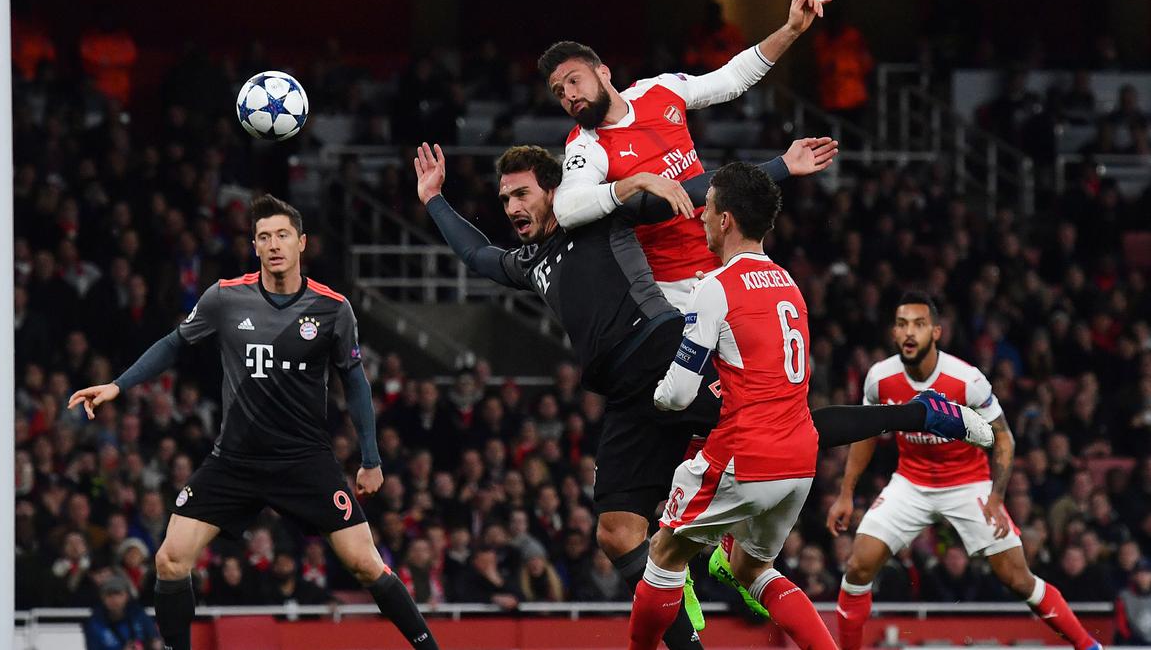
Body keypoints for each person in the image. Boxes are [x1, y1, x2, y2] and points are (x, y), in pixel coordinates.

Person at [414, 143, 990, 650]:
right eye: (504, 197)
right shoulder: (529, 262)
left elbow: (687, 194)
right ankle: (688, 589)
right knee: (616, 534)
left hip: (664, 353)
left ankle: (921, 411)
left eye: (521, 193)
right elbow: (476, 257)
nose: (512, 206)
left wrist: (780, 169)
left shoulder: (593, 218)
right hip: (623, 395)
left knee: (793, 425)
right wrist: (434, 199)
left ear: (556, 192)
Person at [68, 195, 438, 650]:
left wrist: (370, 458)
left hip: (304, 462)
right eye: (264, 237)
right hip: (235, 461)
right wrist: (117, 386)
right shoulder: (225, 297)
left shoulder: (332, 309)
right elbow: (172, 344)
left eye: (282, 235)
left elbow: (355, 383)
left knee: (365, 565)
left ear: (301, 242)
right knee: (170, 560)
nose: (274, 244)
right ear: (254, 246)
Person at [625, 164, 972, 650]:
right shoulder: (788, 284)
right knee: (753, 568)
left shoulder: (715, 287)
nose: (700, 216)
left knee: (663, 552)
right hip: (798, 462)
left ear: (725, 220)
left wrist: (658, 397)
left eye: (707, 208)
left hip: (745, 455)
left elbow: (679, 394)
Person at [828, 292, 1100, 650]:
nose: (910, 332)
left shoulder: (965, 379)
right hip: (910, 482)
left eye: (919, 324)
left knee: (1017, 579)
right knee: (857, 567)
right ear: (894, 333)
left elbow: (1004, 438)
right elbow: (865, 434)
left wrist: (996, 497)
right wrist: (846, 493)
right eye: (902, 324)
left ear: (937, 332)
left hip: (967, 483)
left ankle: (1091, 647)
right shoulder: (879, 378)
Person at [538, 0, 831, 312]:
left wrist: (790, 30)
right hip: (673, 288)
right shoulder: (585, 145)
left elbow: (732, 78)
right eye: (559, 91)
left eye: (574, 81)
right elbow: (567, 209)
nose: (568, 94)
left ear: (603, 72)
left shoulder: (659, 90)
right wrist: (635, 182)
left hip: (729, 259)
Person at [83, 575, 162, 650]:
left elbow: (155, 639)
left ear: (127, 596)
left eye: (118, 594)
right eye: (109, 595)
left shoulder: (138, 614)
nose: (114, 599)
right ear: (102, 598)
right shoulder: (95, 623)